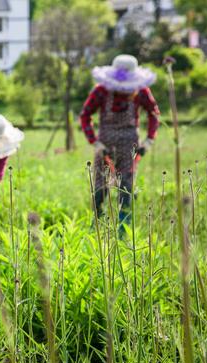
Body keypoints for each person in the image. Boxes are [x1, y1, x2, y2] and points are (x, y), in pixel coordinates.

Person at [79, 54, 160, 235]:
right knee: (101, 184)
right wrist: (94, 141)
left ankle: (124, 227)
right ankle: (98, 225)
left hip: (129, 143)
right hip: (105, 143)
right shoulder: (101, 91)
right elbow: (85, 115)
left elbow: (154, 114)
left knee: (126, 184)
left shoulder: (141, 91)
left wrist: (149, 139)